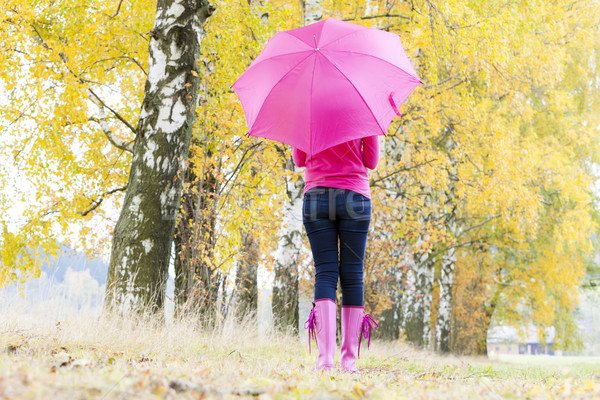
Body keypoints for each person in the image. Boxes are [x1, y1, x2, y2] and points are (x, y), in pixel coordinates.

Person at [293, 135, 380, 373]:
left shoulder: (307, 106)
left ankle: (325, 361)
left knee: (325, 274)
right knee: (352, 276)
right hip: (355, 198)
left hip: (317, 198)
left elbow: (299, 159)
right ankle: (349, 362)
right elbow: (371, 161)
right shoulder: (362, 108)